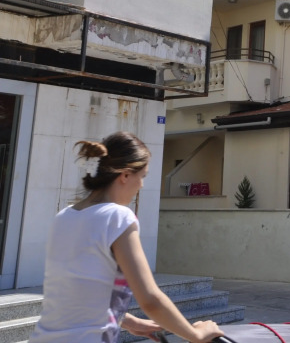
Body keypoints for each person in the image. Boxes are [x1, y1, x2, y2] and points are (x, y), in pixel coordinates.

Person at [29, 132, 224, 343]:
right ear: (125, 175)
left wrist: (128, 321)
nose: (141, 185)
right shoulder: (118, 217)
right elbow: (150, 300)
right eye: (142, 176)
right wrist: (197, 335)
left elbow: (75, 295)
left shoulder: (64, 216)